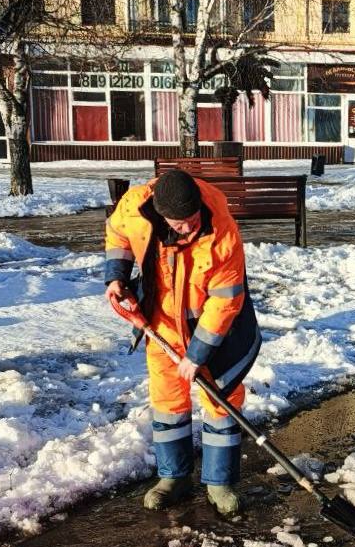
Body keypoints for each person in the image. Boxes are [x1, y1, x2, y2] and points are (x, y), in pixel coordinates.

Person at [104, 169, 261, 516]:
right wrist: (115, 277)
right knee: (168, 400)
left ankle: (219, 482)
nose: (188, 228)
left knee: (222, 398)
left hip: (214, 330)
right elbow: (117, 234)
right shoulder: (134, 208)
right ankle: (173, 477)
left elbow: (225, 301)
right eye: (179, 223)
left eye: (192, 219)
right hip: (160, 324)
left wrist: (197, 354)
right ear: (161, 215)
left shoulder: (221, 231)